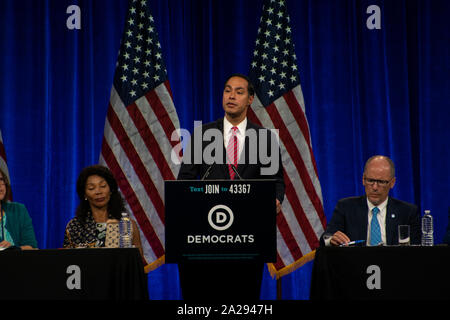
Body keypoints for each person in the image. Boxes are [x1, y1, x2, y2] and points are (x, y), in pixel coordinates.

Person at [177, 73, 285, 301]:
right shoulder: (203, 134)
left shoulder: (265, 138)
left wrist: (276, 199)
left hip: (247, 237)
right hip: (204, 237)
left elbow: (275, 182)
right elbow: (185, 180)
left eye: (239, 91)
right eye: (227, 90)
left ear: (250, 99)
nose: (231, 96)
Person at [321, 155, 420, 246]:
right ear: (363, 179)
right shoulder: (346, 207)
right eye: (370, 180)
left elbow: (417, 248)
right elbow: (326, 237)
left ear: (392, 183)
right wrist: (331, 240)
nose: (375, 187)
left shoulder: (407, 212)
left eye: (381, 182)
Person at [63, 165, 143, 257]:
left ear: (111, 190)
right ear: (84, 194)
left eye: (103, 186)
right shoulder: (74, 226)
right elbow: (68, 263)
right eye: (91, 188)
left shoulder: (127, 225)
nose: (98, 192)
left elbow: (137, 263)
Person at [0, 167, 38, 250]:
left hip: (18, 262)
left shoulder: (18, 210)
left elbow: (33, 248)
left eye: (1, 180)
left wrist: (13, 249)